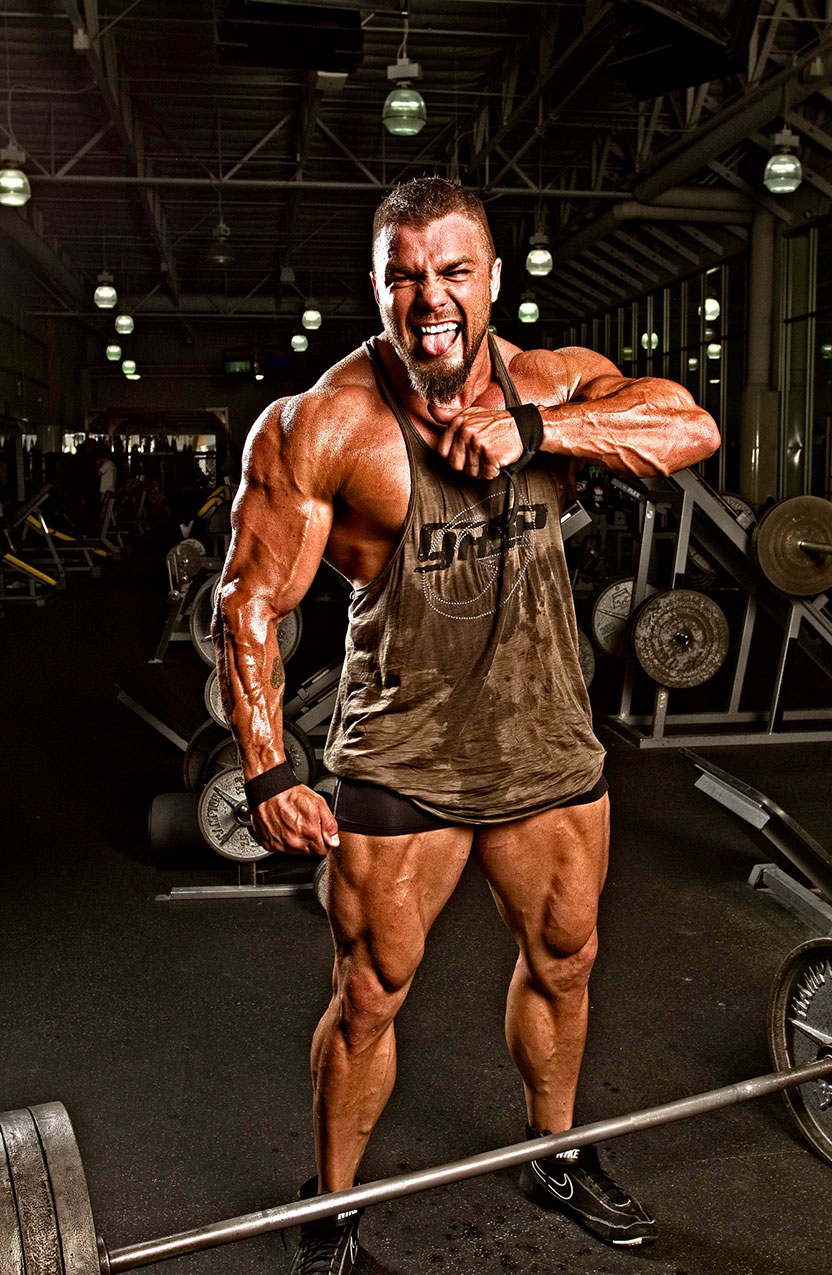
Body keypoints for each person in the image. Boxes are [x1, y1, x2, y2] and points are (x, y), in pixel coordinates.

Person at [212, 177, 720, 1274]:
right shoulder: (322, 425)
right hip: (402, 752)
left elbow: (691, 424)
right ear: (377, 286)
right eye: (404, 275)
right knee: (368, 991)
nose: (428, 298)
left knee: (567, 959)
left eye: (451, 272)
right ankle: (333, 1207)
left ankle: (558, 1148)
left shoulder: (553, 382)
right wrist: (265, 772)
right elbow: (249, 603)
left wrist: (535, 429)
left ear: (491, 280)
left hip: (546, 744)